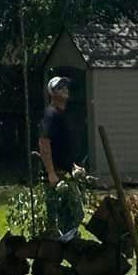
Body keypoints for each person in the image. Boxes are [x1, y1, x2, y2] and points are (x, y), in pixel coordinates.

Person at [37, 75, 83, 240]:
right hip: (56, 174)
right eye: (60, 87)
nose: (65, 89)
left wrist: (74, 166)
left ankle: (68, 243)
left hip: (66, 171)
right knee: (63, 214)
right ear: (52, 93)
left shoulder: (63, 114)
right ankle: (59, 246)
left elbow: (63, 146)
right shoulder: (50, 114)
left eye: (65, 86)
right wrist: (51, 173)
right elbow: (44, 143)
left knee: (74, 212)